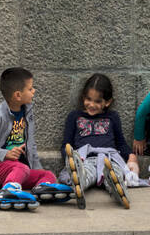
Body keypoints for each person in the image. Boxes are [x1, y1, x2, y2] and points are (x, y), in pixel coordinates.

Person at [60, 73, 143, 209]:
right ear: (83, 97)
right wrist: (70, 159)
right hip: (84, 159)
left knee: (114, 172)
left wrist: (132, 157)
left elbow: (121, 143)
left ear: (107, 102)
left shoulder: (113, 117)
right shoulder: (74, 116)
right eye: (88, 99)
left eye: (98, 101)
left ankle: (117, 188)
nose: (92, 105)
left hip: (109, 159)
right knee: (86, 173)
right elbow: (66, 144)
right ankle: (79, 182)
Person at [0, 67, 57, 198]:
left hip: (18, 168)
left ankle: (42, 191)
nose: (34, 91)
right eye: (30, 89)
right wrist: (6, 154)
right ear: (18, 95)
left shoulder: (27, 113)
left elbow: (31, 145)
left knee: (48, 175)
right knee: (21, 168)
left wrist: (37, 170)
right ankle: (9, 191)